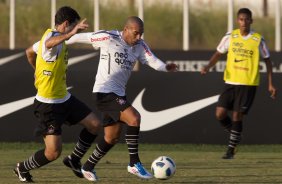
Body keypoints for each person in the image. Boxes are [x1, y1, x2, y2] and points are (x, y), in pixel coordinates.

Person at [64, 16, 178, 181]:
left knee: (112, 137)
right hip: (104, 92)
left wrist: (166, 67)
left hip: (118, 94)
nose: (139, 37)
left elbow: (153, 61)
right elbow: (80, 38)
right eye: (136, 33)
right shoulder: (108, 37)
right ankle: (134, 163)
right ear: (126, 30)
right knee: (134, 118)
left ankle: (88, 166)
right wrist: (60, 39)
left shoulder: (139, 46)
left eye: (141, 34)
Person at [13, 6, 101, 182]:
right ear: (67, 24)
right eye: (73, 28)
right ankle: (22, 168)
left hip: (65, 99)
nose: (74, 33)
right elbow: (48, 44)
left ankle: (74, 159)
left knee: (95, 125)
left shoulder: (55, 39)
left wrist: (36, 70)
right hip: (48, 105)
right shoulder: (51, 40)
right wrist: (70, 34)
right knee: (53, 153)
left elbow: (29, 51)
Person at [201, 8, 276, 159]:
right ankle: (235, 134)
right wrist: (208, 66)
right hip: (230, 82)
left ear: (251, 21)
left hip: (248, 83)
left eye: (247, 19)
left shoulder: (257, 40)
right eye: (241, 19)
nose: (244, 22)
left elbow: (267, 61)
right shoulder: (230, 36)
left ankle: (231, 149)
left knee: (237, 115)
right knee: (220, 114)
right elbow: (218, 53)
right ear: (237, 21)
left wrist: (270, 83)